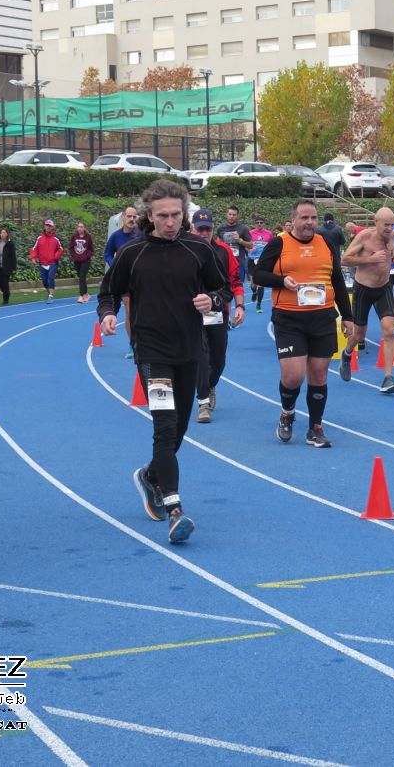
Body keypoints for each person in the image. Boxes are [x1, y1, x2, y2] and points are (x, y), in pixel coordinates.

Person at [98, 180, 224, 543]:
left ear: (183, 213)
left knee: (179, 429)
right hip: (152, 354)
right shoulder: (132, 254)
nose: (170, 222)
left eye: (175, 215)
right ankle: (175, 509)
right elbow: (107, 292)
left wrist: (211, 301)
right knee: (165, 429)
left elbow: (222, 289)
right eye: (162, 216)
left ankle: (151, 474)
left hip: (189, 351)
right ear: (149, 216)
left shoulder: (199, 250)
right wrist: (107, 315)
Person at [253, 198, 353, 447]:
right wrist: (282, 280)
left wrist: (348, 315)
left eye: (313, 218)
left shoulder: (327, 243)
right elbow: (258, 275)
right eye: (304, 218)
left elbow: (337, 280)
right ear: (294, 220)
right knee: (294, 376)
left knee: (319, 374)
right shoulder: (279, 243)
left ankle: (315, 427)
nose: (309, 223)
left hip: (322, 317)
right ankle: (287, 412)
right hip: (289, 318)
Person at [340, 207, 394, 393]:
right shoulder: (364, 237)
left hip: (383, 288)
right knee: (359, 335)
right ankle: (347, 353)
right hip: (363, 290)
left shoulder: (391, 235)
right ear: (375, 222)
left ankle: (388, 378)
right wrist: (371, 259)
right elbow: (345, 259)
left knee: (389, 330)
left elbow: (390, 255)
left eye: (392, 225)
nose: (389, 229)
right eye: (386, 225)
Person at [189, 210, 244, 424]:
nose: (204, 233)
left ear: (213, 229)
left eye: (207, 229)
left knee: (218, 360)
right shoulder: (183, 250)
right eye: (199, 229)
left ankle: (210, 386)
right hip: (191, 314)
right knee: (201, 355)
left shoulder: (223, 251)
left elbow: (235, 280)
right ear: (192, 229)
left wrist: (240, 306)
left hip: (218, 312)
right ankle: (203, 402)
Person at [104, 206, 142, 357]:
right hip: (125, 280)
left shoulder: (140, 235)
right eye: (129, 216)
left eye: (134, 217)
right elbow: (107, 253)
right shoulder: (116, 237)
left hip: (141, 278)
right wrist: (114, 264)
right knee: (129, 310)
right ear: (123, 218)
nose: (132, 219)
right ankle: (133, 345)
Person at [215, 205, 253, 289]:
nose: (231, 217)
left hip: (238, 263)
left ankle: (239, 302)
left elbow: (250, 245)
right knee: (224, 288)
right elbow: (218, 244)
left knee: (238, 288)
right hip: (225, 263)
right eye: (230, 214)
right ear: (226, 214)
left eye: (234, 215)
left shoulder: (243, 228)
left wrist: (240, 240)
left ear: (237, 216)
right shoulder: (220, 228)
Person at [30, 219, 63, 302]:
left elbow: (60, 249)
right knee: (45, 281)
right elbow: (34, 249)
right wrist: (33, 258)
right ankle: (49, 294)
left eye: (49, 226)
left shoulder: (56, 239)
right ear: (44, 227)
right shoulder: (39, 238)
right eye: (46, 225)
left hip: (52, 263)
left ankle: (51, 295)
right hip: (42, 263)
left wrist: (55, 256)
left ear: (52, 227)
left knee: (50, 277)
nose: (48, 227)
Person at [247, 216, 274, 312]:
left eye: (261, 222)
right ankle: (254, 292)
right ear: (255, 224)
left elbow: (272, 246)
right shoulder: (250, 233)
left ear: (264, 224)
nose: (259, 224)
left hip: (263, 261)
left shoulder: (269, 234)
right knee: (253, 283)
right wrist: (249, 249)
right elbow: (245, 245)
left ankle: (259, 305)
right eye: (257, 222)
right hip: (252, 259)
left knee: (261, 283)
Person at [68, 221, 94, 303]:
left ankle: (82, 296)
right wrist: (74, 256)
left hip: (85, 261)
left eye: (81, 226)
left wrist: (87, 256)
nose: (80, 228)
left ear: (84, 228)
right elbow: (71, 247)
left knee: (82, 277)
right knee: (81, 278)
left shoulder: (88, 237)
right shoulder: (74, 236)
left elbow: (91, 249)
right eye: (78, 226)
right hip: (77, 260)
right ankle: (86, 294)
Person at [0, 227, 17, 305]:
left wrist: (14, 268)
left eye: (4, 233)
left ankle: (5, 300)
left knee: (5, 283)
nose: (3, 234)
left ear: (7, 234)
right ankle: (6, 292)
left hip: (7, 267)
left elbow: (13, 256)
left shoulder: (10, 244)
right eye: (1, 233)